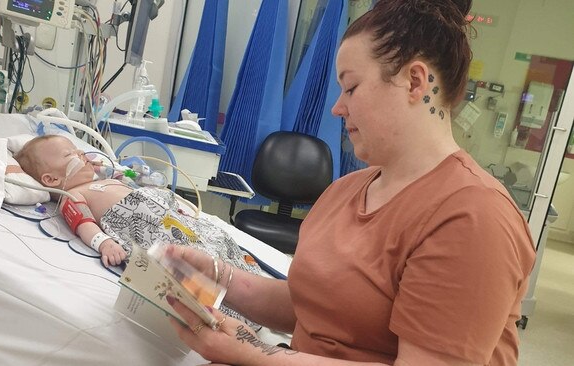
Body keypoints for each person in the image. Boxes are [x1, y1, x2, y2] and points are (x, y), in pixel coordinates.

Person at [164, 0, 536, 365]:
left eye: (352, 87)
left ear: (415, 81)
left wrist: (254, 355)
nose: (337, 108)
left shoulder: (473, 216)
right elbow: (311, 307)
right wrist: (214, 278)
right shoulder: (344, 191)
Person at [14, 134, 258, 276]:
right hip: (146, 228)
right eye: (70, 156)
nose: (82, 156)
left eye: (80, 151)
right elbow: (82, 221)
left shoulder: (104, 179)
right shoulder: (73, 195)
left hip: (170, 218)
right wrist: (104, 243)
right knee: (188, 264)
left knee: (215, 239)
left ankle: (242, 277)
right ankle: (230, 298)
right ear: (51, 180)